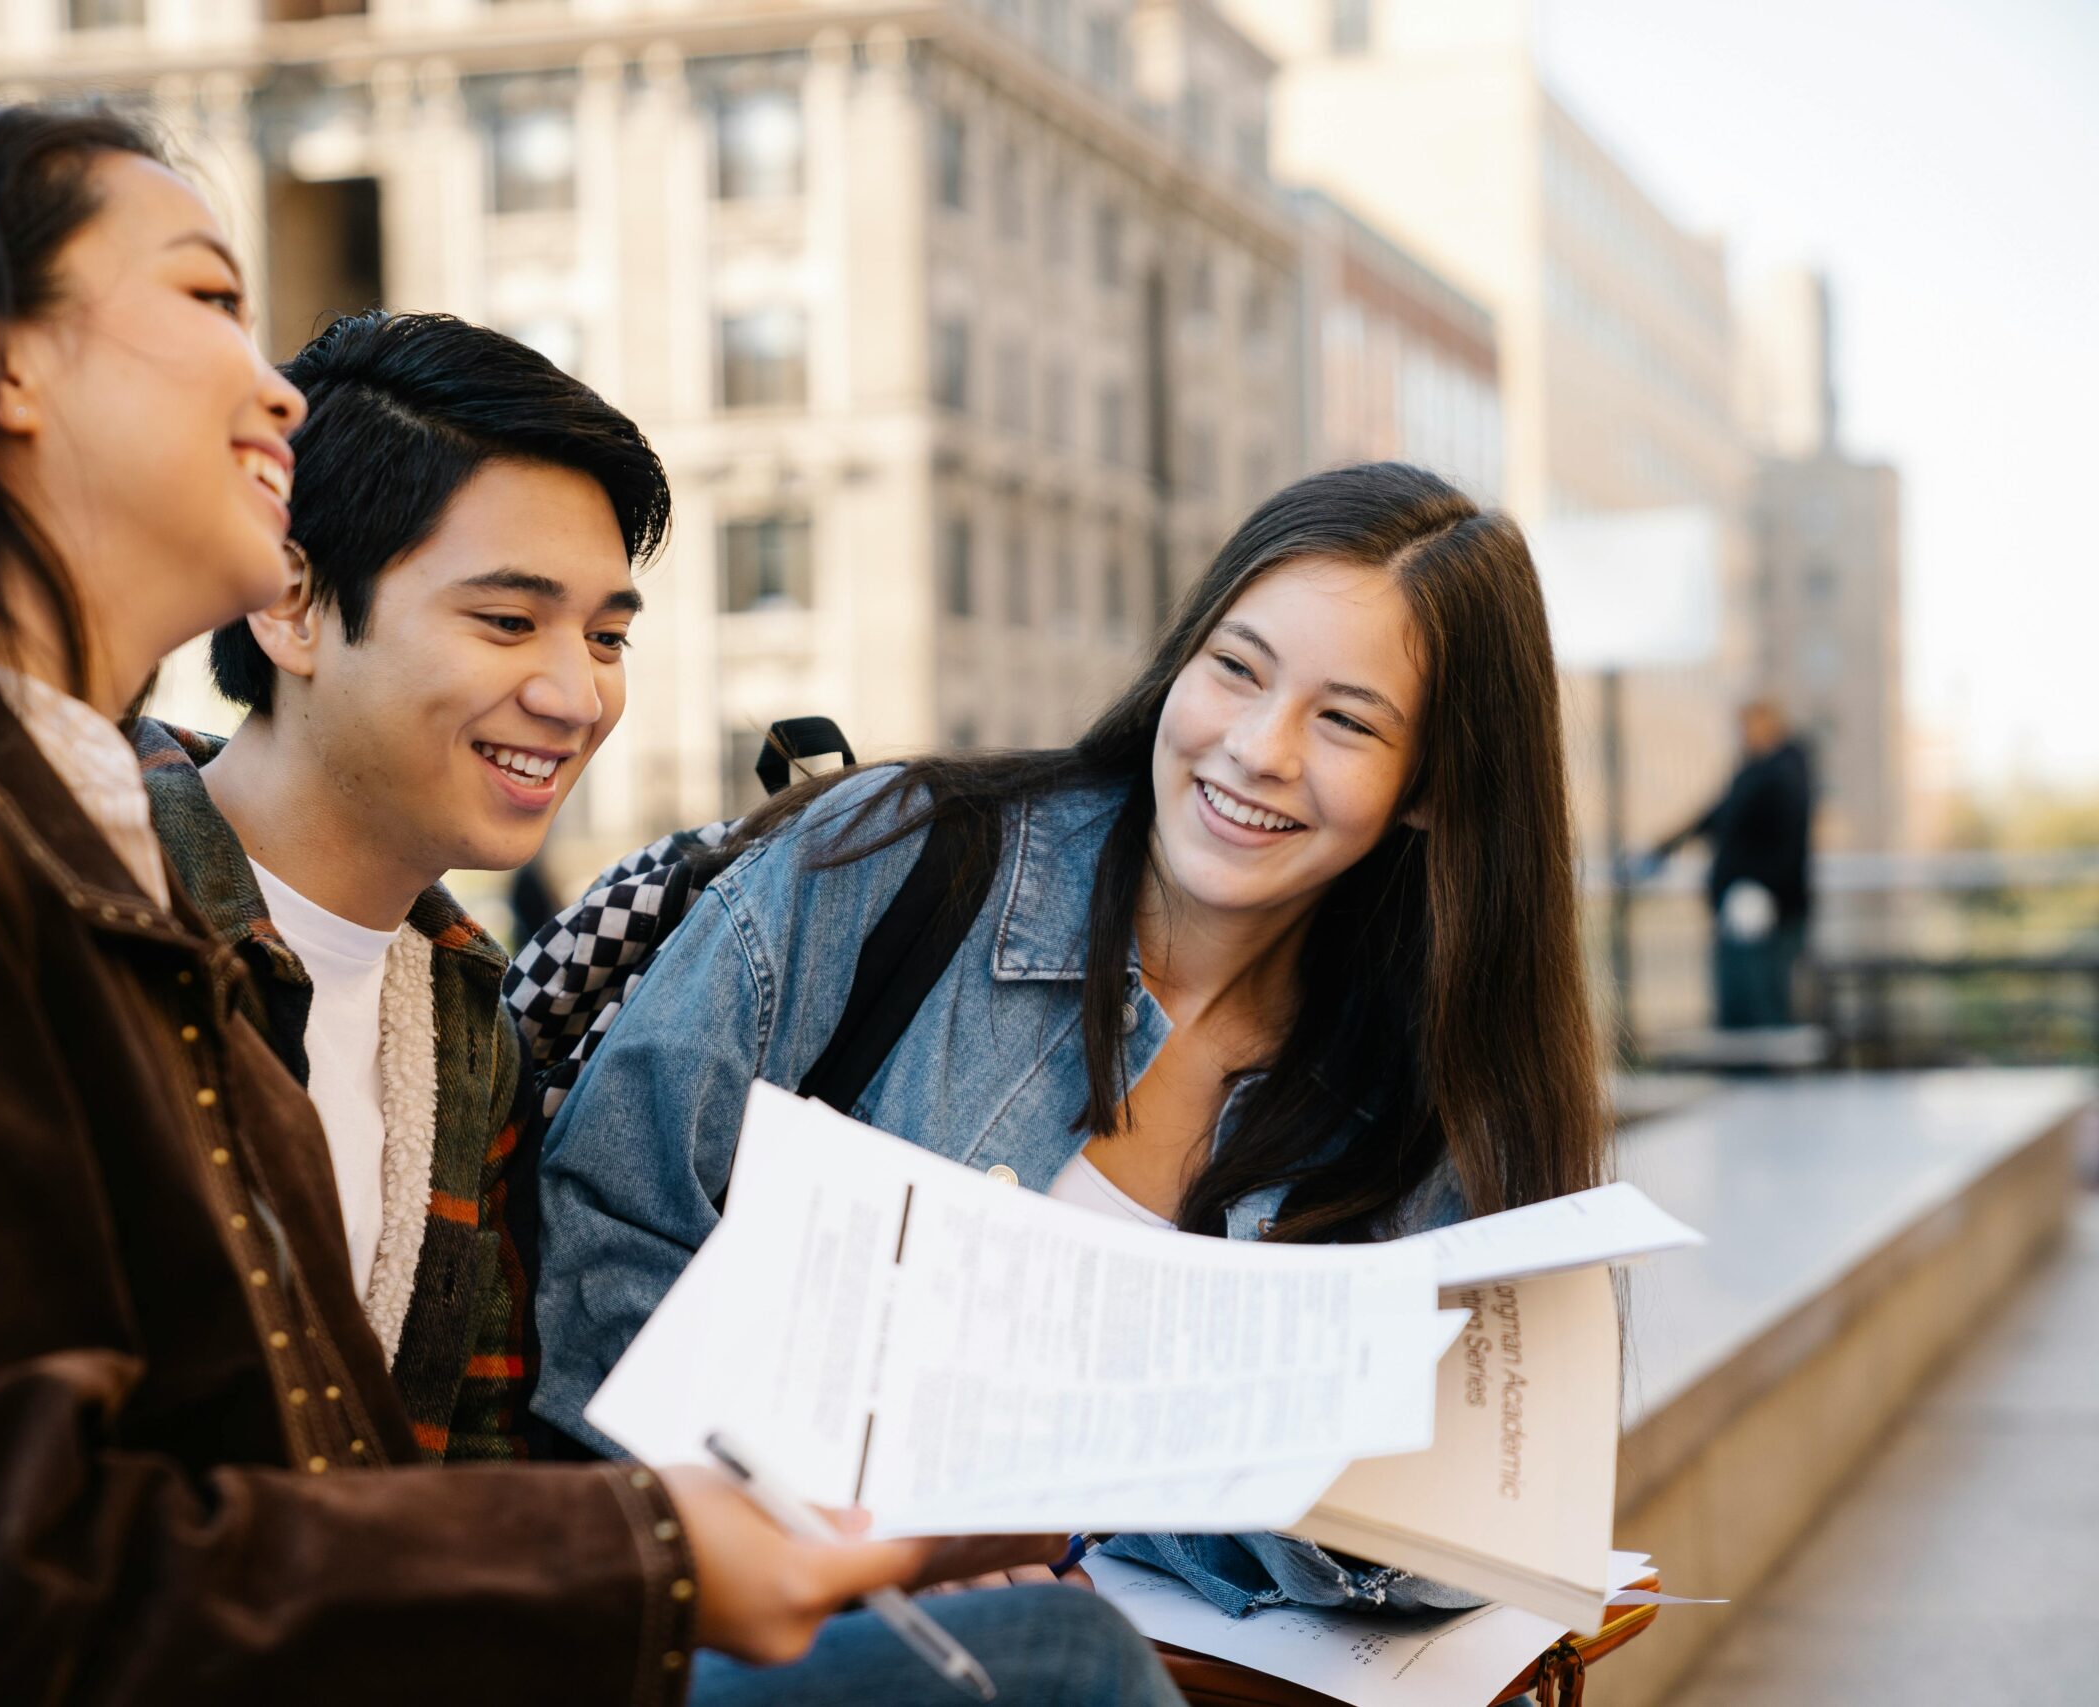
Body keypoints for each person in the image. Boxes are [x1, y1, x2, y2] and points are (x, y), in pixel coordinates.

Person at [0, 107, 1176, 1705]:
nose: (273, 386)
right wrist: (647, 1556)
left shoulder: (224, 915)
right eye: (206, 299)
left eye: (606, 629)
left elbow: (332, 1486)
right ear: (1, 364)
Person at [534, 462, 1610, 1618]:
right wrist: (845, 1531)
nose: (1257, 749)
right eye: (1235, 671)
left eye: (1345, 721)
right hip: (747, 1618)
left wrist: (1079, 1518)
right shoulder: (895, 860)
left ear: (1433, 788)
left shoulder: (1424, 1101)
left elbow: (1453, 1548)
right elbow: (604, 1227)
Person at [136, 310, 663, 1465]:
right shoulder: (101, 909)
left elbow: (468, 1463)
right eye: (509, 622)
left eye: (609, 638)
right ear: (289, 604)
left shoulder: (470, 1025)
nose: (576, 695)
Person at [1646, 699, 1814, 1030]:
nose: (1742, 735)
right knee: (1744, 1002)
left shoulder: (1782, 774)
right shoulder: (1755, 772)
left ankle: (1763, 1076)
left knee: (1759, 1003)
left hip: (1763, 911)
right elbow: (1715, 816)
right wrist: (1663, 849)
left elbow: (1788, 845)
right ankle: (1752, 1072)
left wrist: (1766, 891)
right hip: (1747, 906)